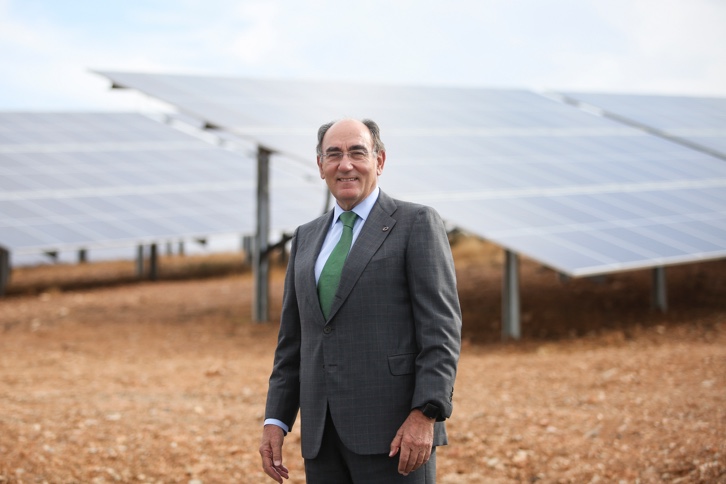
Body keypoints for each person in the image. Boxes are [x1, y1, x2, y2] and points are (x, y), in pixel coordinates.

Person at [259, 118, 462, 483]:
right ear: (320, 165)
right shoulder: (306, 238)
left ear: (380, 160)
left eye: (357, 152)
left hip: (396, 436)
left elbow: (441, 333)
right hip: (322, 439)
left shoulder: (416, 223)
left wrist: (425, 415)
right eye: (333, 154)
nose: (345, 164)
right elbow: (293, 341)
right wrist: (276, 420)